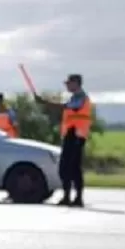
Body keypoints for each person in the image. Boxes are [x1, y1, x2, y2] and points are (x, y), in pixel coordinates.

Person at [35, 74, 92, 207]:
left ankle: (77, 198)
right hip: (70, 135)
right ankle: (68, 196)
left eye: (69, 83)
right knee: (66, 168)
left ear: (76, 83)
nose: (67, 85)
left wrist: (45, 102)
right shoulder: (74, 98)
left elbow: (67, 107)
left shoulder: (81, 98)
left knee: (73, 168)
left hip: (77, 136)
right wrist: (46, 103)